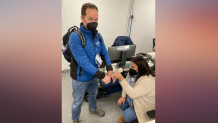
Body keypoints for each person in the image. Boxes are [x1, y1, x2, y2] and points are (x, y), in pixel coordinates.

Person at [68, 3, 115, 123]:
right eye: (90, 19)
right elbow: (82, 61)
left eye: (96, 19)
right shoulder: (75, 36)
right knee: (77, 101)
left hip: (94, 75)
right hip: (80, 77)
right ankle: (75, 119)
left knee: (93, 94)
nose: (94, 22)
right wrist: (102, 75)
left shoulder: (98, 36)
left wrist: (109, 69)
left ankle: (92, 109)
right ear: (82, 18)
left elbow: (104, 52)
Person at [114, 56, 155, 123]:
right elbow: (127, 83)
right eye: (130, 66)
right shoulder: (133, 73)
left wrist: (121, 79)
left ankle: (135, 117)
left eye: (133, 67)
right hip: (135, 98)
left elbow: (133, 94)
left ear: (140, 68)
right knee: (121, 104)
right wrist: (123, 96)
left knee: (126, 117)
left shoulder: (148, 80)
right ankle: (134, 116)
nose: (131, 68)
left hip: (145, 104)